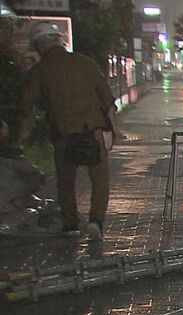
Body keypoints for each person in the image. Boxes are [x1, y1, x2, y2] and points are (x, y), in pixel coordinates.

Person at [17, 21, 116, 241]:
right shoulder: (85, 63)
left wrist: (21, 137)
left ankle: (71, 224)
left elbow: (26, 106)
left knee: (66, 181)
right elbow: (108, 99)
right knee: (100, 180)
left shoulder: (40, 70)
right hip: (94, 131)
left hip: (64, 134)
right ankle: (96, 221)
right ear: (60, 41)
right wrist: (111, 129)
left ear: (40, 45)